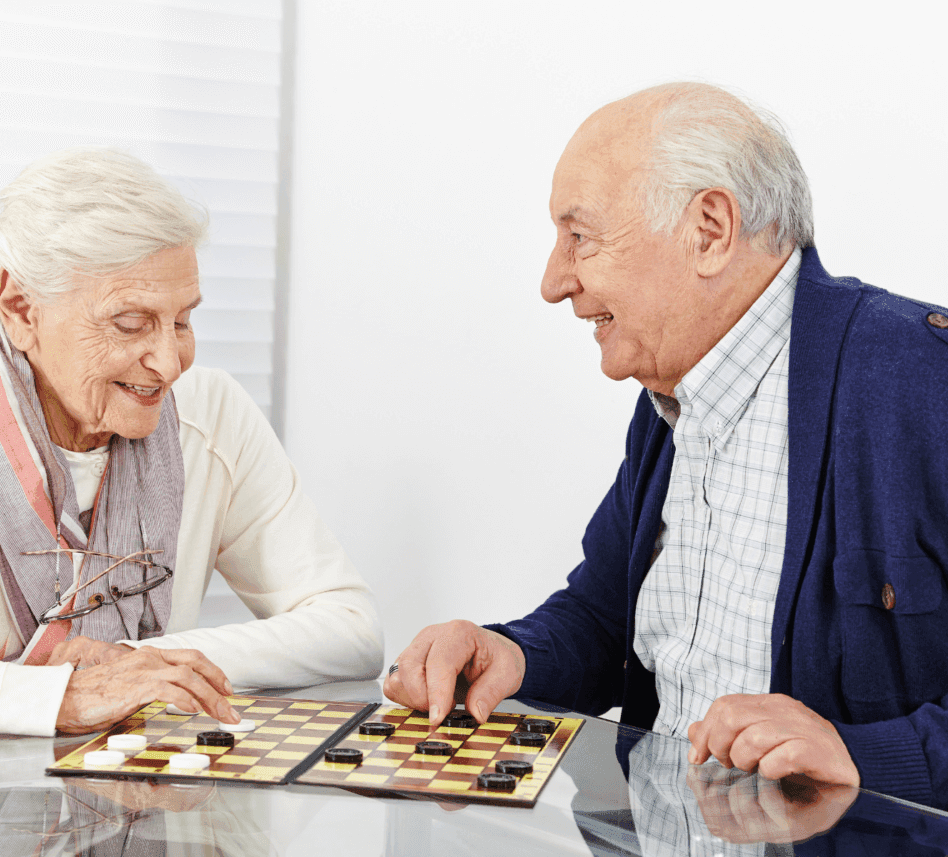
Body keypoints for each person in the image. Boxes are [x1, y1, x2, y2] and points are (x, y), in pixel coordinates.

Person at [385, 82, 948, 810]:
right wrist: (510, 654)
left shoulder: (919, 381)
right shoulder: (668, 399)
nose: (555, 281)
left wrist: (860, 756)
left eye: (579, 237)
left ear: (710, 229)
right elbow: (604, 618)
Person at [0, 148, 383, 736]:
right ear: (21, 308)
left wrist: (135, 663)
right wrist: (49, 696)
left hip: (150, 799)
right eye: (130, 323)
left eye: (182, 321)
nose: (170, 362)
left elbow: (351, 630)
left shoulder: (212, 413)